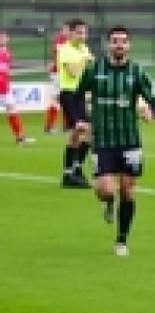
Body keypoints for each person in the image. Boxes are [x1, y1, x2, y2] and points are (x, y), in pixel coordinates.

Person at [73, 26, 155, 256]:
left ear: (129, 45)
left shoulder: (137, 72)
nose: (119, 45)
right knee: (105, 190)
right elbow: (77, 96)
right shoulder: (94, 70)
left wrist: (151, 113)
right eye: (115, 41)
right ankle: (108, 202)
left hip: (130, 140)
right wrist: (81, 119)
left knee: (128, 190)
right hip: (103, 140)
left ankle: (122, 240)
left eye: (123, 41)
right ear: (108, 44)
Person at [57, 19, 93, 187]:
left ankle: (75, 170)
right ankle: (69, 174)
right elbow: (72, 72)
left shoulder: (84, 48)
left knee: (88, 134)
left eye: (85, 32)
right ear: (70, 33)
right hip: (69, 94)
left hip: (80, 95)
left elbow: (88, 72)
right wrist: (85, 60)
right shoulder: (64, 49)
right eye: (79, 32)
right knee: (79, 130)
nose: (82, 36)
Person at [0, 30, 34, 146]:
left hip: (5, 87)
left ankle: (20, 137)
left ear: (7, 39)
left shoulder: (7, 52)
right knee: (12, 110)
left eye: (4, 37)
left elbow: (6, 71)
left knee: (12, 110)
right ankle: (20, 137)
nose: (2, 39)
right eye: (0, 37)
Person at [44, 22, 70, 134]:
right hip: (59, 73)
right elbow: (59, 51)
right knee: (59, 98)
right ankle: (51, 127)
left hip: (64, 73)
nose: (68, 32)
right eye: (67, 29)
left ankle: (65, 125)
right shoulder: (61, 39)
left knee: (64, 98)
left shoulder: (68, 41)